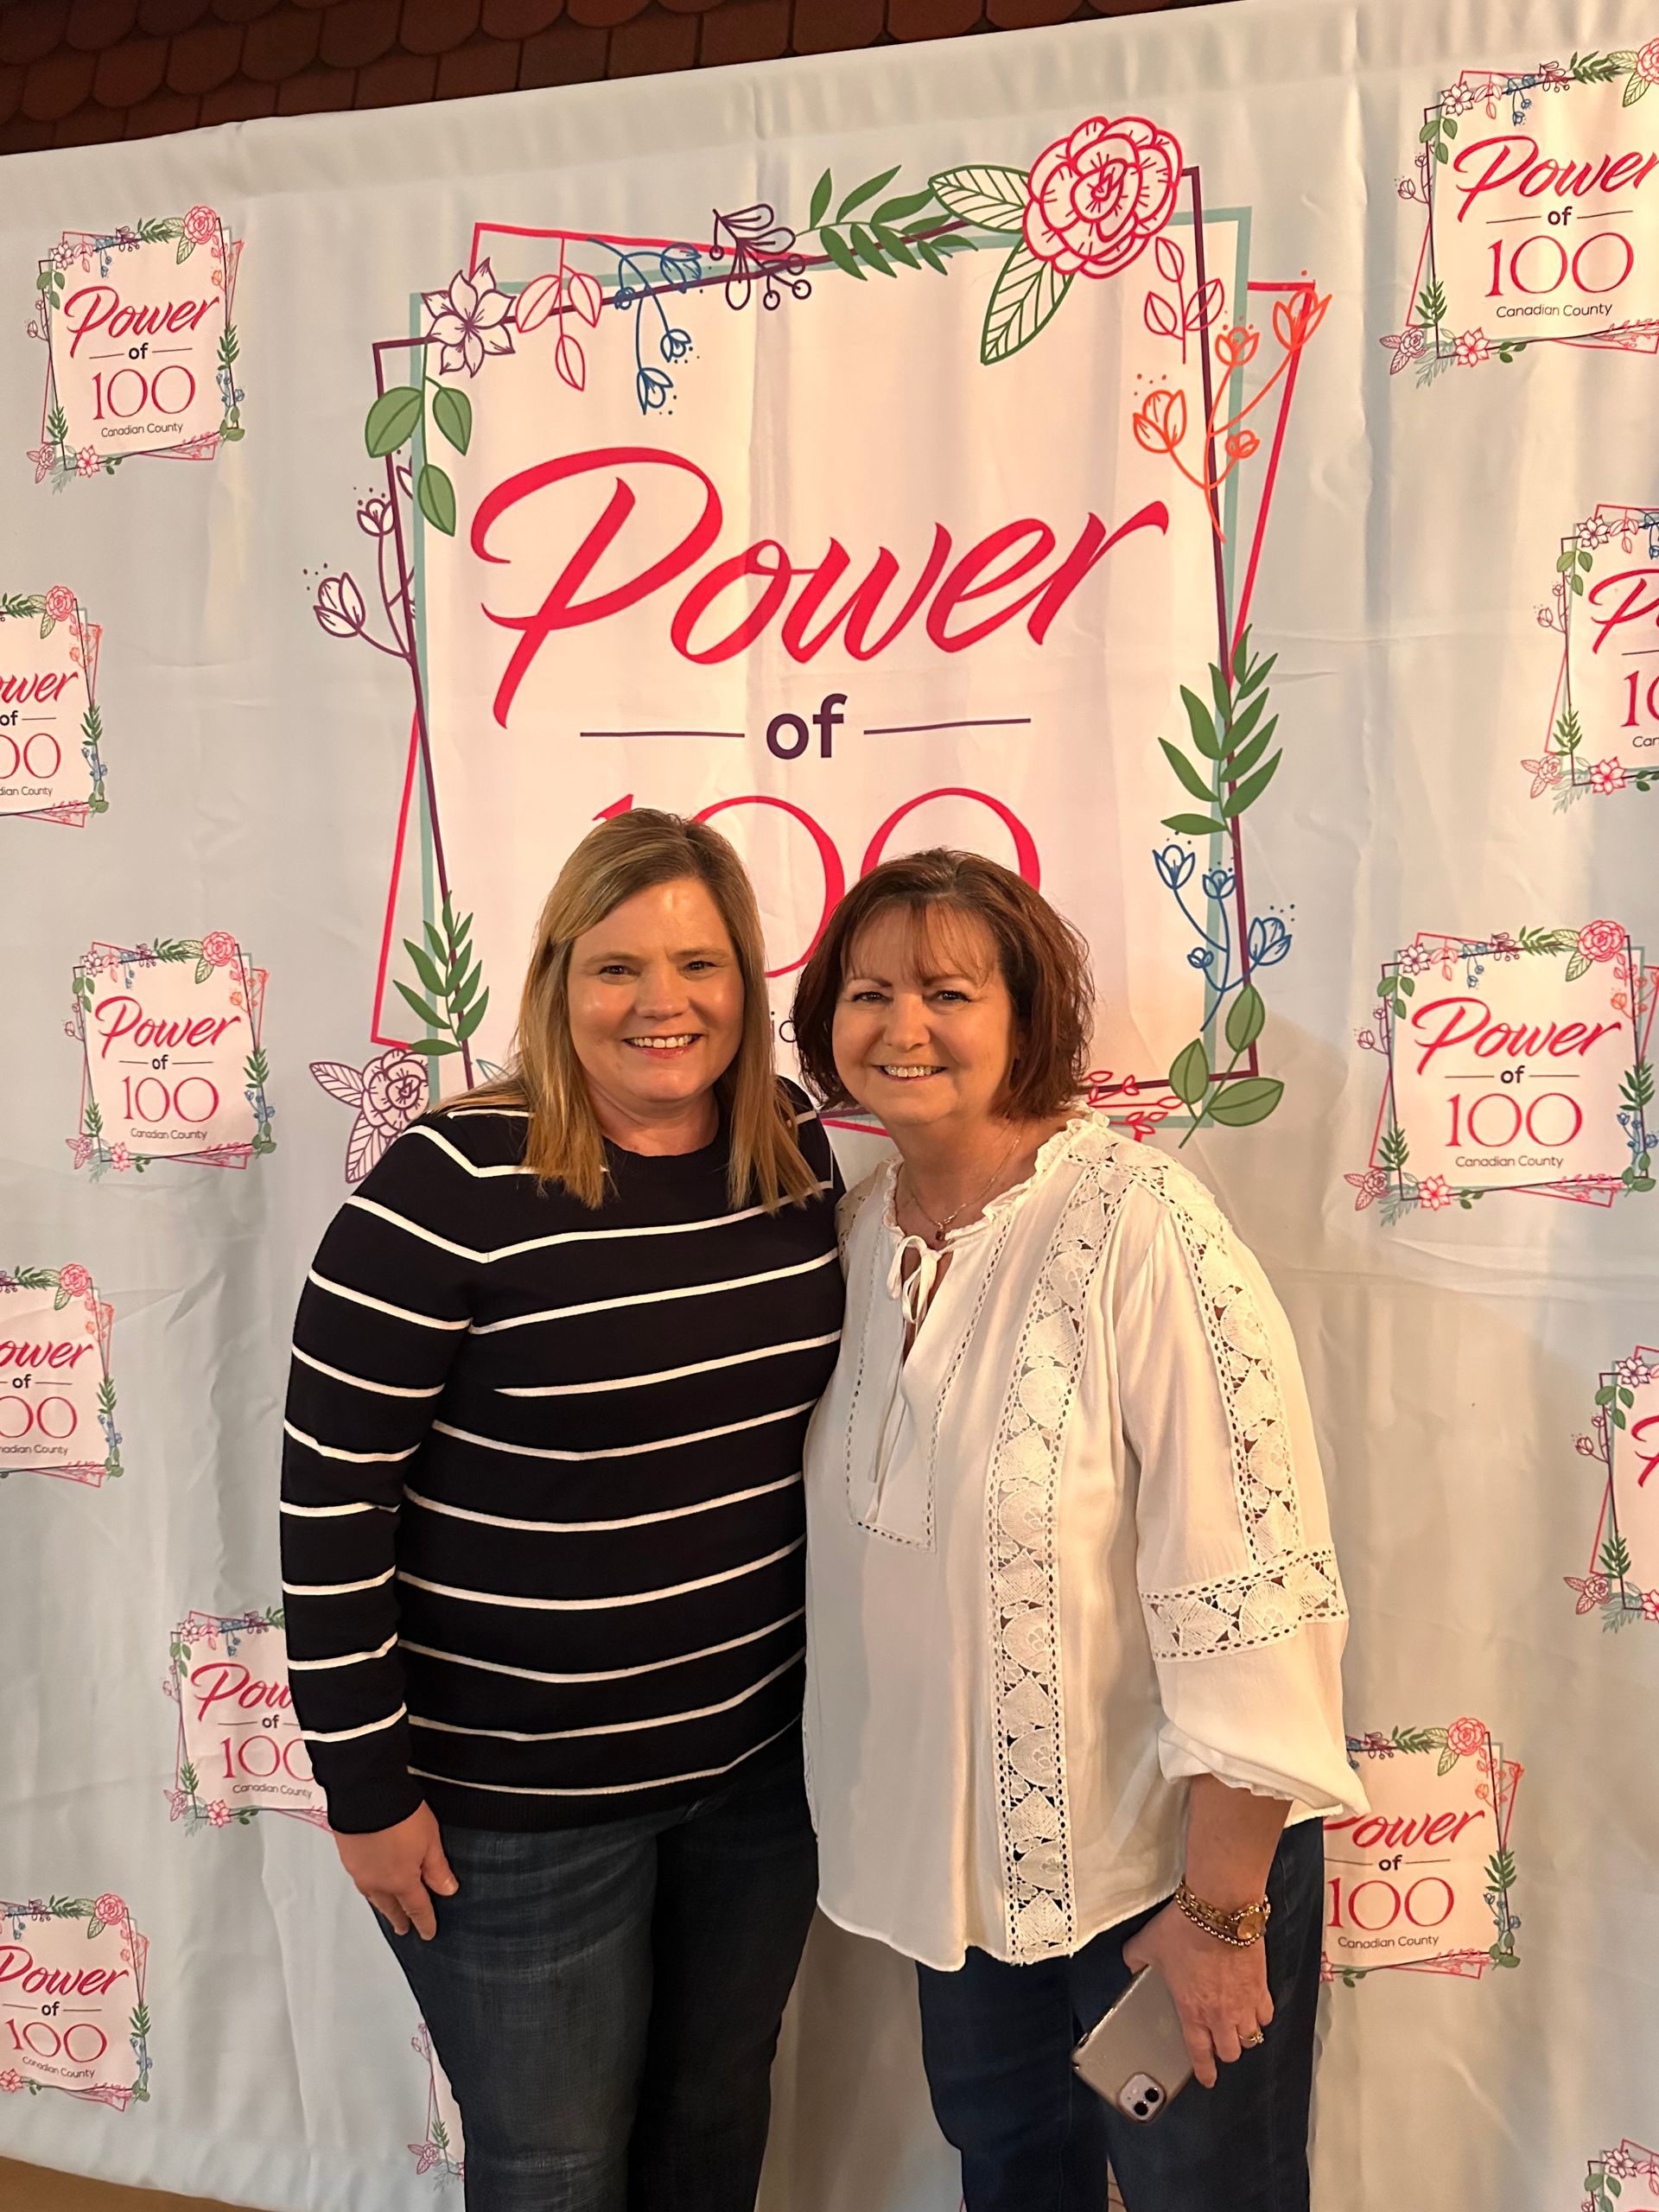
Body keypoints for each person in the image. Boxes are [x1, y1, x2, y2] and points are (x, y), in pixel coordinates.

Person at [280, 810, 843, 2212]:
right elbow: (329, 1502)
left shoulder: (792, 1153)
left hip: (755, 1773)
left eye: (703, 964)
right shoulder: (446, 1188)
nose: (666, 1004)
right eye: (618, 968)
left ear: (748, 979)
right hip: (513, 1808)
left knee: (714, 2115)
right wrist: (367, 1782)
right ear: (554, 981)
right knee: (556, 2166)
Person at [790, 849, 1365, 2212]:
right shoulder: (855, 1241)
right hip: (967, 1896)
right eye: (869, 993)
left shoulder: (1138, 1225)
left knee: (1202, 2201)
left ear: (1026, 1013)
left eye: (947, 990)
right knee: (1014, 2178)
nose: (902, 1026)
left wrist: (1220, 1914)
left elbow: (1251, 1580)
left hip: (1161, 1882)